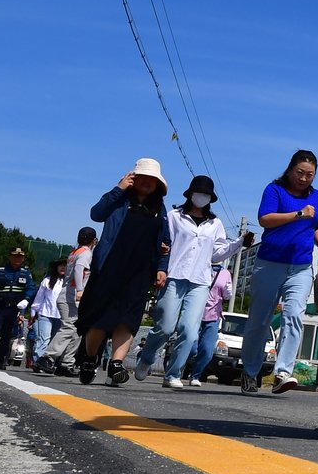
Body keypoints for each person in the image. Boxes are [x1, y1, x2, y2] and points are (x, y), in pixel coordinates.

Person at [135, 175, 254, 389]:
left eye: (206, 195)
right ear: (190, 194)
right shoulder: (173, 216)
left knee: (189, 331)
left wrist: (239, 243)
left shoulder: (214, 223)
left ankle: (173, 373)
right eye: (199, 193)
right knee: (165, 327)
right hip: (174, 276)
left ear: (211, 198)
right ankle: (147, 357)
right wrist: (158, 266)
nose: (202, 197)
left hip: (200, 281)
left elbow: (217, 254)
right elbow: (161, 243)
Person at [74, 158, 171, 385]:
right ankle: (89, 358)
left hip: (139, 273)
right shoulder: (119, 200)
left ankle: (116, 364)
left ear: (158, 184)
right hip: (109, 268)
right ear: (133, 179)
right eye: (142, 177)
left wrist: (161, 268)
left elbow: (165, 241)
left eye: (152, 179)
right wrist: (118, 189)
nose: (147, 182)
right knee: (100, 320)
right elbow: (96, 214)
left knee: (127, 320)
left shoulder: (160, 209)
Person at [240, 151, 318, 396]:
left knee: (294, 316)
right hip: (270, 263)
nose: (304, 178)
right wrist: (298, 214)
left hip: (300, 267)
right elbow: (265, 219)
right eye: (300, 173)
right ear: (290, 169)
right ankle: (249, 372)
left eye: (309, 175)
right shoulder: (274, 190)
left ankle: (282, 373)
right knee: (260, 320)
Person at [37, 226, 97, 376]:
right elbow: (79, 268)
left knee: (77, 330)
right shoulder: (86, 253)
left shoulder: (74, 252)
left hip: (66, 294)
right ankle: (48, 357)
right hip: (72, 295)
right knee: (70, 326)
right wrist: (80, 289)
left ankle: (66, 363)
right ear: (94, 240)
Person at [186, 262, 233, 386]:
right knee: (191, 348)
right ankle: (177, 368)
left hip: (213, 315)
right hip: (195, 313)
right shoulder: (199, 265)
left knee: (207, 351)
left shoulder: (225, 273)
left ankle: (195, 375)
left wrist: (227, 291)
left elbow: (228, 296)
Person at [27, 258, 66, 369]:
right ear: (56, 267)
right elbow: (38, 299)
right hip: (45, 314)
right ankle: (38, 361)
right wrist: (33, 313)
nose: (63, 268)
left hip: (60, 316)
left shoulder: (68, 283)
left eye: (65, 265)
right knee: (44, 338)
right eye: (61, 265)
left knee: (55, 341)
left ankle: (50, 363)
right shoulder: (47, 281)